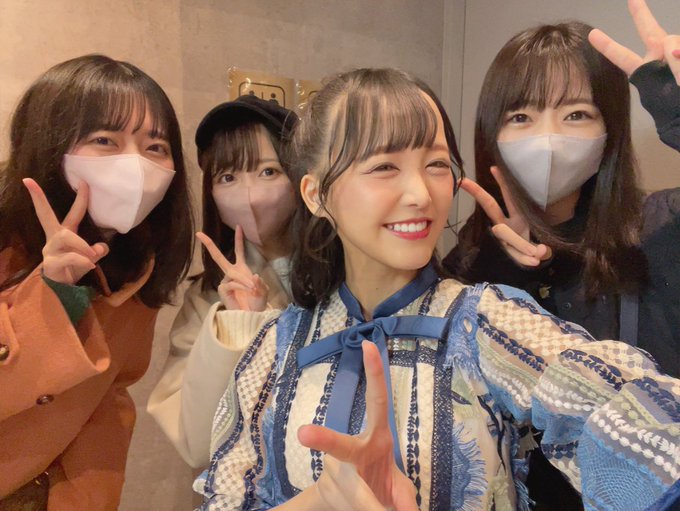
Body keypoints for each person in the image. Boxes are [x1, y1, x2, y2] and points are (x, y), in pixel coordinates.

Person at [195, 67, 680, 511]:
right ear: (315, 194)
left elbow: (621, 411)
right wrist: (318, 502)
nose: (421, 195)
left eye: (437, 164)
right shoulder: (276, 346)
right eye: (384, 167)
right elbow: (228, 496)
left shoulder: (484, 323)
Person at [442, 2, 680, 507]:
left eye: (576, 114)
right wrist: (506, 271)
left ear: (610, 129)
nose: (546, 138)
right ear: (492, 133)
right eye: (520, 116)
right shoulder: (469, 262)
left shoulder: (662, 230)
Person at [0, 54, 194, 510]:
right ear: (49, 143)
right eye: (105, 140)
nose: (136, 165)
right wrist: (52, 294)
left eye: (156, 147)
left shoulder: (137, 267)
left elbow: (105, 405)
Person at [147, 95, 298, 469]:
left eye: (268, 171)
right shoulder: (207, 298)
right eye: (228, 177)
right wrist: (237, 327)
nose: (249, 193)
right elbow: (196, 444)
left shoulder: (349, 270)